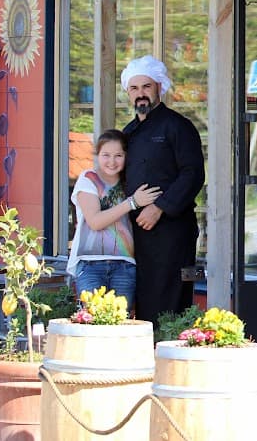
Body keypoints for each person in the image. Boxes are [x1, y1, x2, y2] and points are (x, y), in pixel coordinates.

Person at [121, 55, 206, 323]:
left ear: (160, 87)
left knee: (171, 295)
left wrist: (159, 208)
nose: (140, 94)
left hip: (172, 231)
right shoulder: (128, 131)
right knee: (143, 295)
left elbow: (193, 174)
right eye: (134, 88)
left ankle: (170, 352)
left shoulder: (178, 126)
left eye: (147, 86)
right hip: (136, 232)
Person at [68, 129, 162, 308]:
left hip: (124, 265)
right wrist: (132, 202)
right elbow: (95, 222)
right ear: (97, 155)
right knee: (92, 322)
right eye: (106, 155)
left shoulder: (130, 182)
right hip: (90, 264)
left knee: (120, 324)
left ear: (126, 156)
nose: (112, 161)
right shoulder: (89, 179)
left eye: (118, 155)